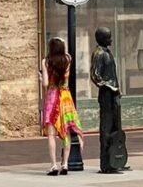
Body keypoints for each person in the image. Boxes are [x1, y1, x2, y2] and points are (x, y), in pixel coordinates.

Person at [39, 37, 84, 176]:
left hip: (52, 97)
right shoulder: (68, 59)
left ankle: (53, 165)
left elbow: (46, 84)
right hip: (65, 97)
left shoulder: (46, 62)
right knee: (66, 132)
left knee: (51, 134)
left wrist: (41, 78)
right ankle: (65, 164)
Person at [89, 26, 129, 174]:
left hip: (114, 95)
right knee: (107, 127)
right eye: (108, 37)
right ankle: (106, 163)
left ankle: (116, 159)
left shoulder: (107, 52)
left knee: (116, 127)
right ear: (102, 38)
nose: (111, 39)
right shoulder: (99, 54)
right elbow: (95, 76)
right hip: (107, 95)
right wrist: (111, 88)